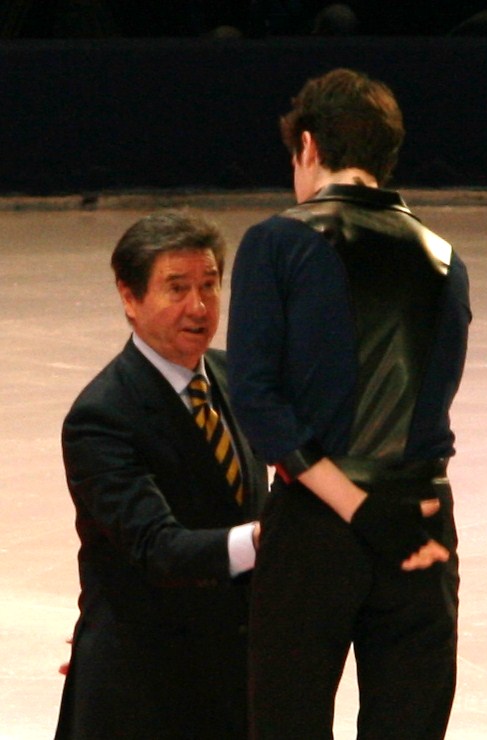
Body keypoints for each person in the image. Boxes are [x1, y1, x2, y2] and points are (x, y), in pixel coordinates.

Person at [227, 68, 470, 738]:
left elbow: (254, 397)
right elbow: (432, 407)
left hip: (316, 531)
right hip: (422, 527)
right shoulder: (444, 258)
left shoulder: (276, 241)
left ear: (307, 146)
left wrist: (357, 507)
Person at [54, 210, 268, 739]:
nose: (198, 307)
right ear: (130, 297)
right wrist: (272, 541)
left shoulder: (231, 376)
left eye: (209, 286)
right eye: (177, 288)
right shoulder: (101, 417)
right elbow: (159, 548)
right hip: (145, 694)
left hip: (234, 682)